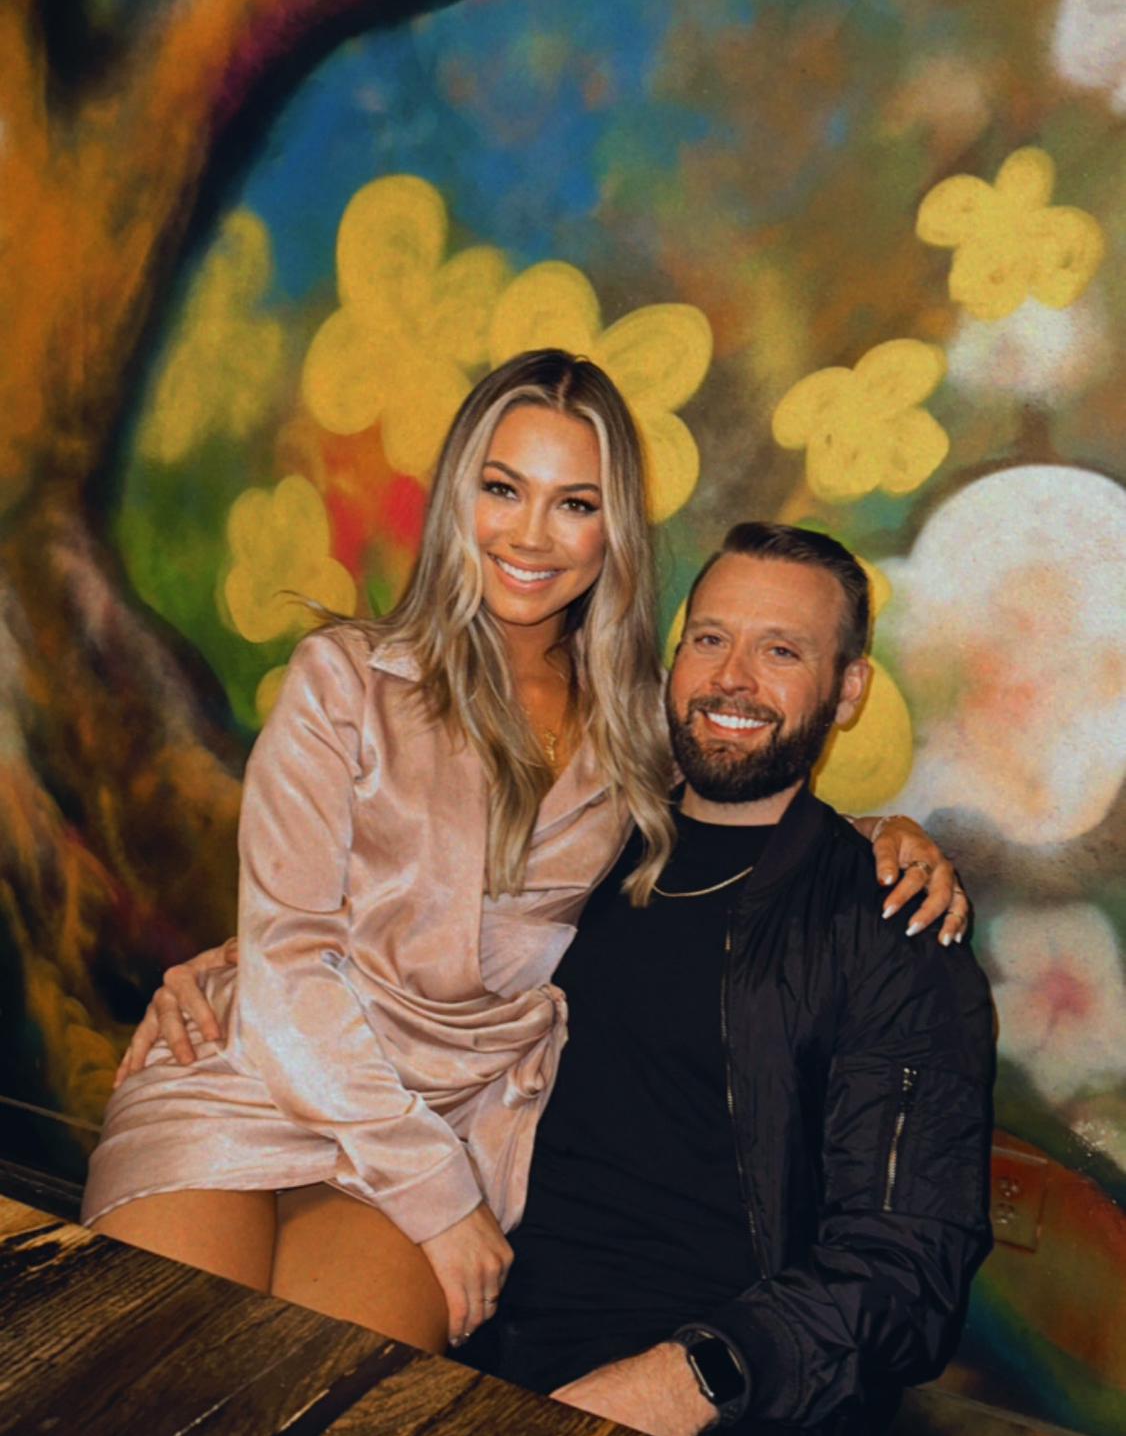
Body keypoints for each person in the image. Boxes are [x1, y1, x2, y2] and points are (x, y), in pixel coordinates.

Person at [85, 350, 966, 1356]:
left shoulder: (639, 729)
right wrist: (438, 1198)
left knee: (322, 1413)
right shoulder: (346, 679)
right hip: (264, 1072)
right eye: (503, 488)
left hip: (449, 1111)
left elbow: (744, 781)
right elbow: (291, 957)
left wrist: (878, 838)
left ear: (612, 528)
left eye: (573, 503)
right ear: (458, 497)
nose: (530, 535)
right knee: (145, 1380)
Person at [468, 521, 994, 1436]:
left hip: (719, 1413)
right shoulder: (578, 844)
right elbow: (401, 958)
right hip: (475, 1324)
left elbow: (905, 1271)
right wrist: (233, 965)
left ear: (847, 690)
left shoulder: (890, 926)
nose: (732, 677)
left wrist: (687, 1381)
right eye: (709, 638)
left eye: (780, 650)